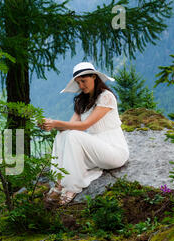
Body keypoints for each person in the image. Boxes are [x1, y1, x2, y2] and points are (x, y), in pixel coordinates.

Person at [38, 62, 129, 205]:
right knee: (63, 135)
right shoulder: (81, 101)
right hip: (97, 148)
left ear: (94, 77)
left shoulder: (106, 96)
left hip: (114, 150)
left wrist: (55, 123)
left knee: (73, 135)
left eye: (83, 81)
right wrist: (50, 125)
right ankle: (60, 183)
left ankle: (72, 187)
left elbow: (85, 125)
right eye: (78, 82)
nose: (81, 86)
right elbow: (70, 126)